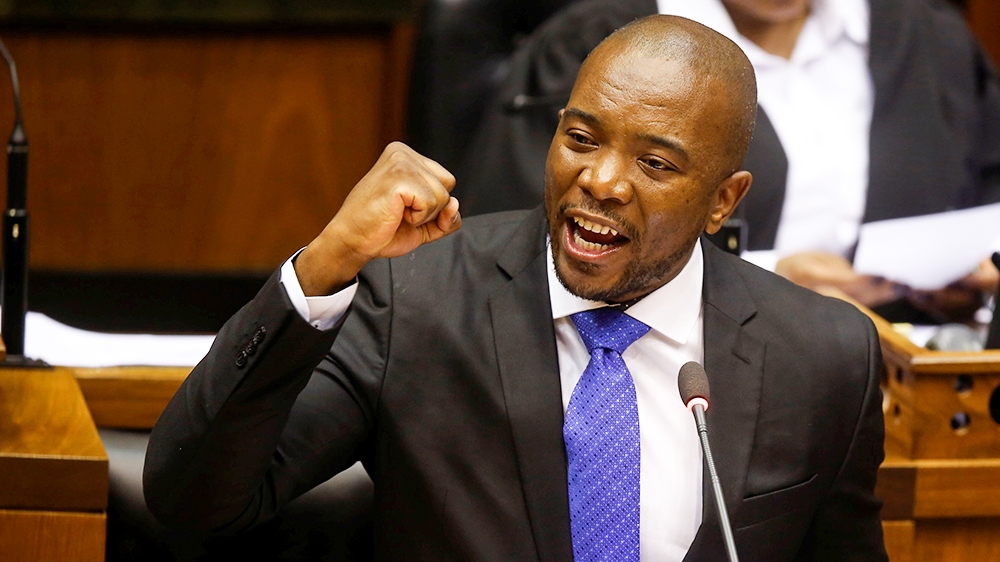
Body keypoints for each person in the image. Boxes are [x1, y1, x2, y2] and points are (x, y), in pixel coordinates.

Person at [144, 16, 887, 561]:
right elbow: (194, 503)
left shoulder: (822, 355)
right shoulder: (415, 301)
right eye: (582, 139)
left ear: (724, 200)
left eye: (655, 164)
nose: (599, 180)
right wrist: (325, 264)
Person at [453, 0, 1000, 322]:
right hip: (676, 382)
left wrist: (964, 282)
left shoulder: (932, 41)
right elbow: (518, 260)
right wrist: (769, 281)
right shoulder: (603, 47)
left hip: (920, 390)